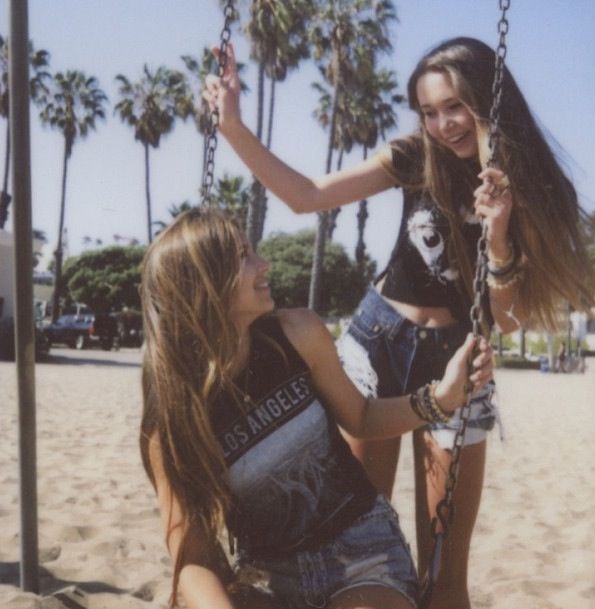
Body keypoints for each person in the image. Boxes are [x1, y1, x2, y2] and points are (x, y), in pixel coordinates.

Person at [203, 37, 594, 609]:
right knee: (360, 545)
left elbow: (507, 319)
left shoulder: (529, 186)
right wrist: (233, 125)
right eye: (429, 111)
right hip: (377, 344)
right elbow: (307, 196)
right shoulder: (415, 157)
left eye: (454, 107)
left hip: (461, 360)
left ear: (488, 99)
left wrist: (501, 230)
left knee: (444, 575)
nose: (443, 125)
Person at [140, 208, 494, 609]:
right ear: (203, 285)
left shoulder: (296, 333)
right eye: (243, 257)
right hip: (266, 577)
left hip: (362, 551)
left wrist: (440, 399)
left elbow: (361, 417)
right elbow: (192, 554)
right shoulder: (173, 420)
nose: (263, 263)